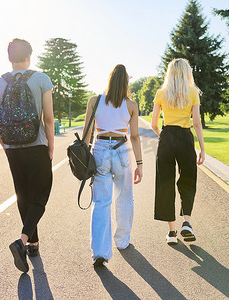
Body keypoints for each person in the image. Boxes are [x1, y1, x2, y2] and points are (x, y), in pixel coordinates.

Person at [0, 38, 55, 272]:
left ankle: (33, 244)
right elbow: (48, 118)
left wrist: (6, 146)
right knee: (40, 196)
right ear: (29, 56)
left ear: (9, 58)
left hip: (13, 150)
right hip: (36, 146)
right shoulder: (41, 79)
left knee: (23, 196)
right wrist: (50, 145)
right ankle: (23, 241)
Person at [83, 64, 143, 267]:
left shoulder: (94, 101)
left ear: (109, 80)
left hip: (100, 149)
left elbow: (86, 135)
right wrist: (140, 164)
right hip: (121, 150)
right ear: (126, 82)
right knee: (125, 197)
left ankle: (100, 251)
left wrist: (82, 160)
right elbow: (134, 137)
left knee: (101, 201)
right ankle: (122, 241)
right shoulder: (131, 105)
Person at [151, 58, 205, 245]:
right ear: (187, 73)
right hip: (184, 136)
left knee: (165, 182)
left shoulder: (161, 93)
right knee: (188, 179)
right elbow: (196, 123)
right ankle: (187, 223)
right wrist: (202, 149)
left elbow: (153, 124)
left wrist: (163, 136)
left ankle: (172, 233)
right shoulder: (193, 93)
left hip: (166, 135)